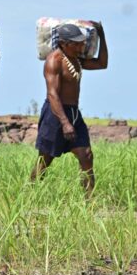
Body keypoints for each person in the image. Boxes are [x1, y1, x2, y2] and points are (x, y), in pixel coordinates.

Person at [30, 22, 108, 196]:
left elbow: (102, 63)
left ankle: (89, 201)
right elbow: (53, 95)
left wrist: (102, 35)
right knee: (45, 160)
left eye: (82, 42)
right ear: (64, 44)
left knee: (86, 155)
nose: (82, 45)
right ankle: (29, 195)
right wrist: (65, 123)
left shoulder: (77, 59)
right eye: (77, 43)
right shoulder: (54, 61)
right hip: (55, 114)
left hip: (73, 112)